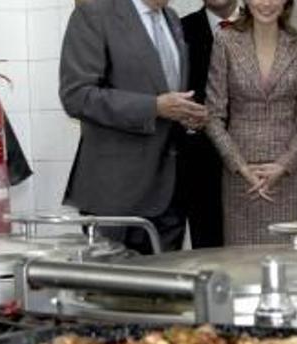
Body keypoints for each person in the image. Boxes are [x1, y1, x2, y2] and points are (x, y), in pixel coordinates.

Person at [60, 0, 208, 254]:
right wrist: (153, 107)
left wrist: (185, 113)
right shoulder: (94, 15)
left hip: (170, 192)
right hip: (116, 194)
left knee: (165, 288)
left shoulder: (171, 18)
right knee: (114, 290)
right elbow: (77, 96)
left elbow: (165, 89)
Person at [205, 0, 297, 245]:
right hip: (241, 179)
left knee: (290, 267)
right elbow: (213, 116)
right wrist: (240, 166)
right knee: (242, 266)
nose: (267, 3)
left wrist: (284, 164)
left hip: (288, 179)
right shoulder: (225, 40)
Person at [178, 0, 241, 249]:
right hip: (201, 164)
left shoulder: (264, 22)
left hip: (258, 161)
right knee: (209, 252)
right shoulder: (179, 29)